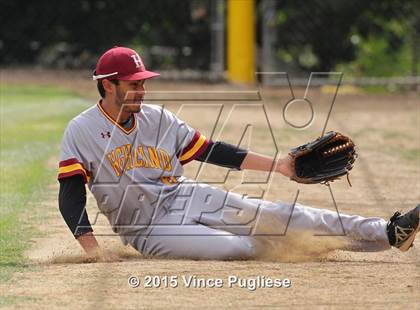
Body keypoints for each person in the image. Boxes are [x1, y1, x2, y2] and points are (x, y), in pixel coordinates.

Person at [58, 46, 420, 260]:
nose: (142, 90)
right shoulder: (82, 130)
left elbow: (212, 151)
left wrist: (279, 166)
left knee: (277, 215)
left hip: (187, 196)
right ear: (109, 85)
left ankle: (388, 232)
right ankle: (300, 244)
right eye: (134, 84)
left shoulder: (158, 119)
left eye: (143, 83)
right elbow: (70, 196)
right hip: (149, 229)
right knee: (238, 249)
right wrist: (94, 253)